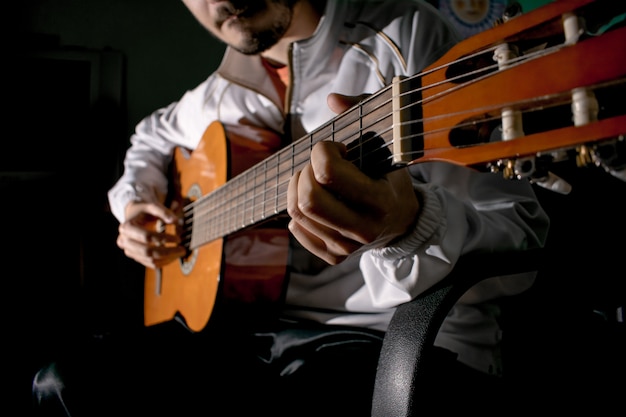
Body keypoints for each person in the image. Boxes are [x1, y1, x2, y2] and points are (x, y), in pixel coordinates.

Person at [31, 0, 550, 416]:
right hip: (248, 334)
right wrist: (134, 203)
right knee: (64, 382)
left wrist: (409, 225)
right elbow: (148, 137)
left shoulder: (404, 34)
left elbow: (522, 233)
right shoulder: (214, 95)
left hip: (388, 339)